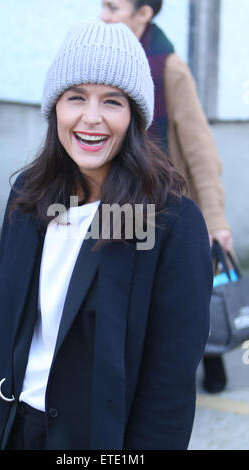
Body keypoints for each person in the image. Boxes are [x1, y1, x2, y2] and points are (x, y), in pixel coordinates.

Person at [0, 20, 212, 451]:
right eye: (76, 97)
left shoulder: (168, 224)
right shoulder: (29, 198)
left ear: (134, 116)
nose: (90, 118)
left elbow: (167, 396)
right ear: (55, 106)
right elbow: (0, 346)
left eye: (112, 101)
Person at [100, 0, 233, 394]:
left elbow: (200, 149)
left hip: (168, 201)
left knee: (189, 289)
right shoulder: (108, 62)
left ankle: (212, 357)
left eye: (114, 7)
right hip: (121, 197)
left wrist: (215, 220)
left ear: (144, 14)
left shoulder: (169, 68)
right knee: (130, 288)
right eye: (102, 5)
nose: (104, 15)